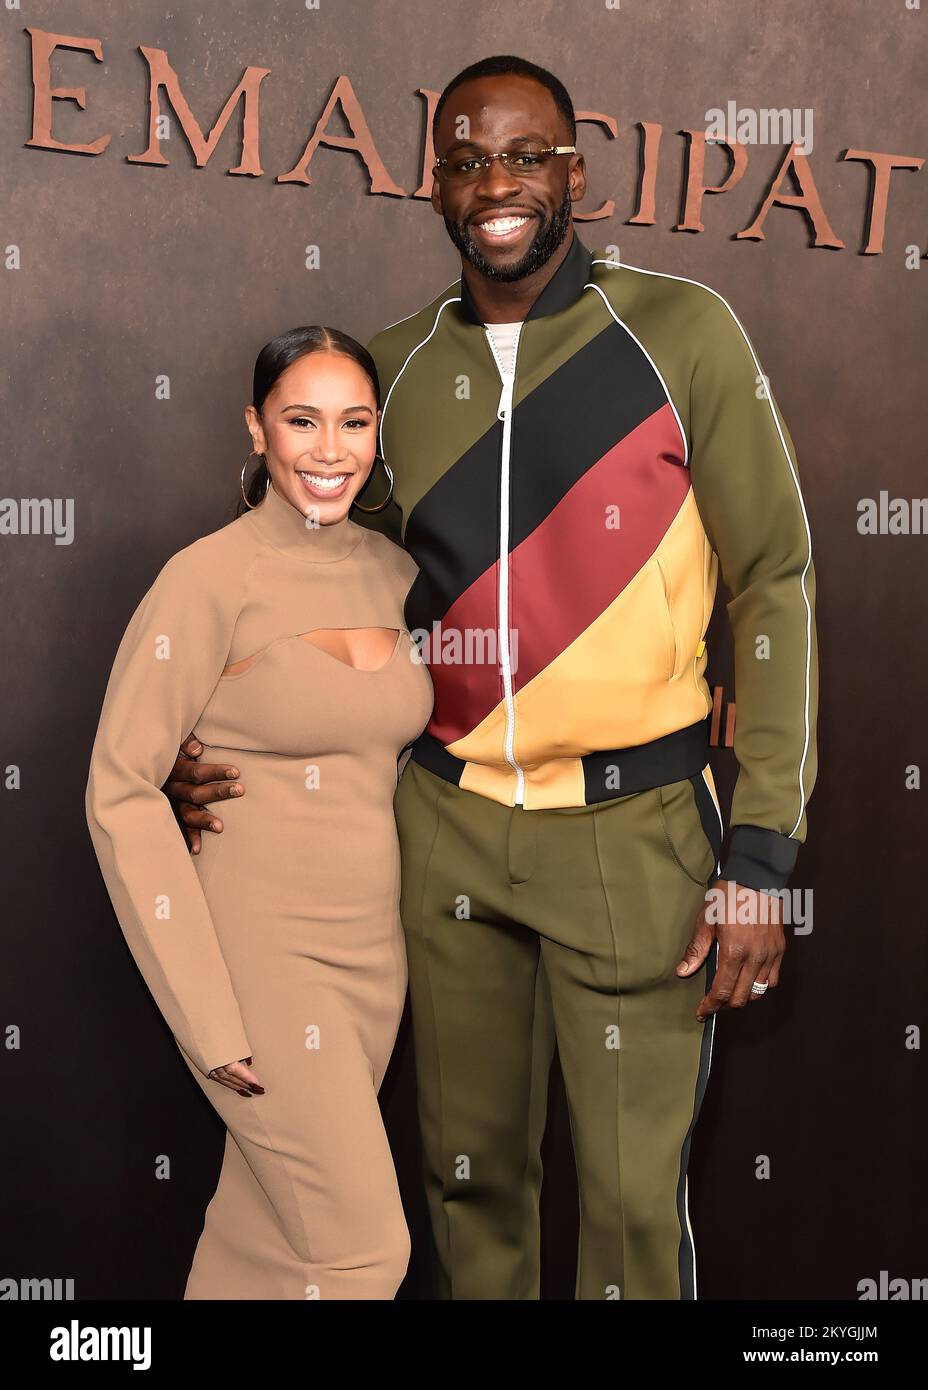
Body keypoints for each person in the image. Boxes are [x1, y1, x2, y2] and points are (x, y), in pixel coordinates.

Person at [164, 55, 819, 1300]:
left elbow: (775, 580)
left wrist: (764, 855)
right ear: (434, 186)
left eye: (526, 157)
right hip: (444, 829)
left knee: (630, 1211)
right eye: (468, 161)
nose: (497, 184)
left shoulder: (680, 332)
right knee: (470, 1190)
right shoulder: (396, 369)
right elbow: (303, 573)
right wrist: (212, 729)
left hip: (637, 837)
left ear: (574, 171)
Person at [85, 327, 433, 1299]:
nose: (330, 448)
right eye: (302, 420)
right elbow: (119, 787)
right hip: (255, 965)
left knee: (265, 1245)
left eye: (354, 421)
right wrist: (205, 1007)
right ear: (257, 428)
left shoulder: (398, 576)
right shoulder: (207, 578)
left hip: (375, 962)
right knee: (362, 1252)